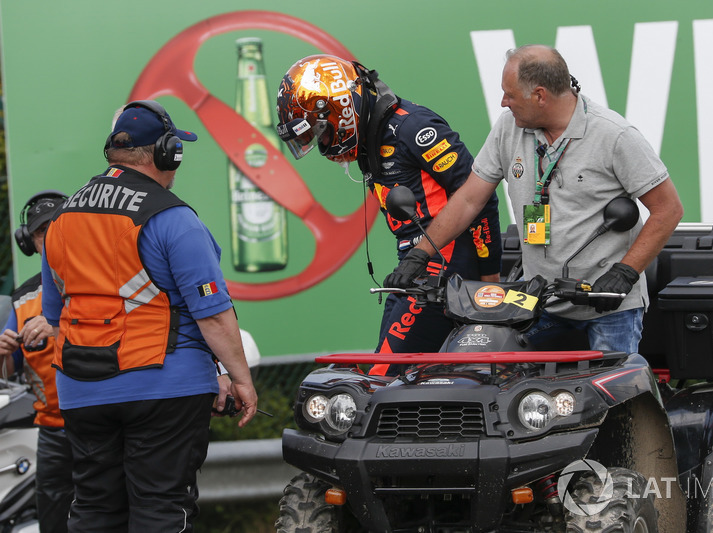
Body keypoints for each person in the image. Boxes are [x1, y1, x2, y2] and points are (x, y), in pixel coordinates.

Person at [40, 100, 258, 532]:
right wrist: (241, 378)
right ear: (166, 152)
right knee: (161, 509)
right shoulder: (172, 217)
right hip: (163, 387)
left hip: (80, 389)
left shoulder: (61, 221)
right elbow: (213, 314)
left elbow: (53, 313)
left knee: (94, 509)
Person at [385, 45, 684, 354]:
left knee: (612, 397)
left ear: (540, 96)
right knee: (488, 374)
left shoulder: (615, 135)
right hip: (538, 300)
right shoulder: (508, 128)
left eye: (510, 95)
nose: (504, 102)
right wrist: (420, 255)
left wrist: (626, 271)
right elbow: (468, 201)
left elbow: (668, 209)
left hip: (606, 306)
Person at [275, 55, 503, 364]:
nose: (322, 143)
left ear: (341, 109)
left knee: (382, 376)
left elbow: (480, 198)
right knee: (399, 379)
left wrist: (490, 280)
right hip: (411, 271)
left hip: (442, 273)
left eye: (320, 132)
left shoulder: (413, 127)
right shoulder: (371, 140)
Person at [0, 190, 71, 533]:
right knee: (53, 522)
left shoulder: (103, 282)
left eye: (58, 226)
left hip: (103, 425)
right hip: (53, 431)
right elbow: (9, 370)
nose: (51, 238)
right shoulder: (23, 298)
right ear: (30, 243)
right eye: (42, 233)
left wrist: (61, 325)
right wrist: (2, 352)